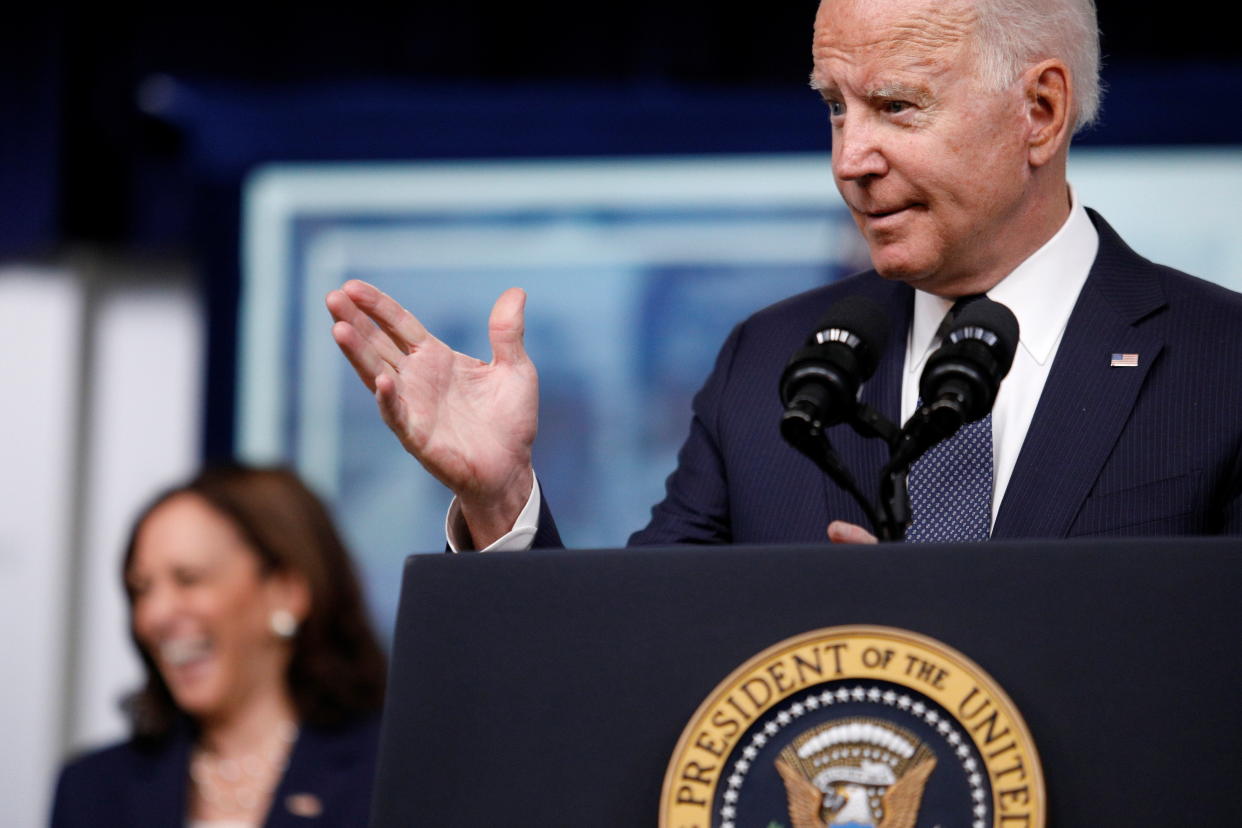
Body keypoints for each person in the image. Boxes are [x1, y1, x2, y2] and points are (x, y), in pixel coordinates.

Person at [325, 0, 1242, 549]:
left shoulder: (1220, 365)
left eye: (894, 107)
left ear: (1040, 111)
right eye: (835, 110)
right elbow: (628, 660)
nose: (851, 158)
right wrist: (500, 498)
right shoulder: (773, 365)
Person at [50, 465, 388, 827]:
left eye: (189, 579)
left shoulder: (389, 773)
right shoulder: (92, 788)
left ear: (286, 592)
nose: (155, 614)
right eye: (141, 589)